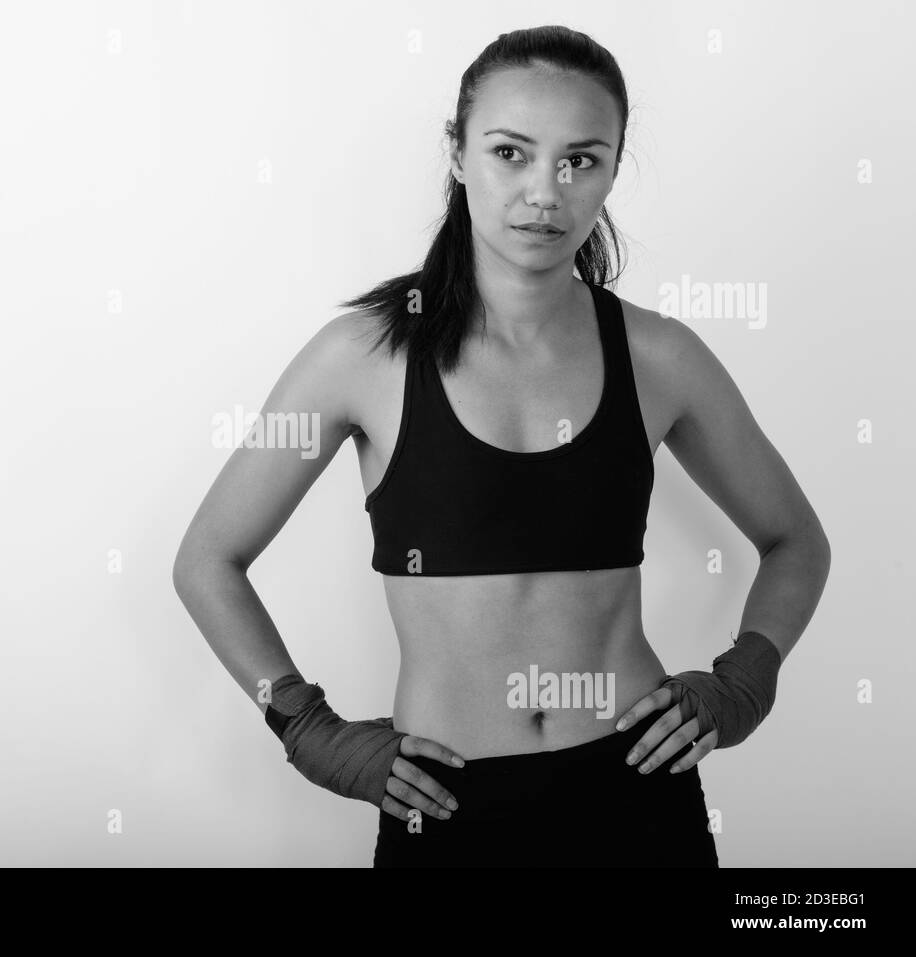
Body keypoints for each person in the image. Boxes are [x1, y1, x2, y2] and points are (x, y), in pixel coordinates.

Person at [172, 25, 830, 867]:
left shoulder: (661, 357)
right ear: (456, 152)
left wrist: (745, 681)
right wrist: (304, 725)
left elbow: (796, 541)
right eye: (511, 152)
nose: (545, 192)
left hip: (637, 790)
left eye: (580, 159)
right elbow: (207, 560)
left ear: (613, 170)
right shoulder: (364, 357)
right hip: (446, 803)